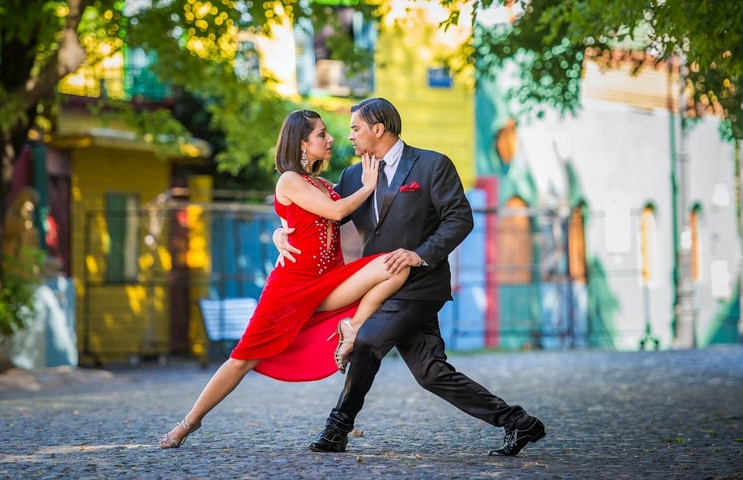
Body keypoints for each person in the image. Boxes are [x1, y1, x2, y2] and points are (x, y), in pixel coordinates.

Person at [274, 97, 545, 457]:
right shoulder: (353, 176)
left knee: (367, 341)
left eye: (356, 128)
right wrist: (281, 232)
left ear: (379, 129)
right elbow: (321, 217)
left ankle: (337, 428)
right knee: (431, 372)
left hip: (421, 285)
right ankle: (519, 422)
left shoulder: (433, 165)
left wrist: (420, 254)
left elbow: (460, 219)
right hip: (381, 287)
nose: (350, 136)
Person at [159, 109, 409, 449]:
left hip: (331, 281)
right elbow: (336, 212)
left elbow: (309, 216)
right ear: (302, 143)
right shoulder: (288, 179)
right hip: (291, 288)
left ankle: (351, 327)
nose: (331, 138)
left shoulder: (321, 183)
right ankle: (189, 423)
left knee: (397, 265)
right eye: (322, 134)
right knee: (242, 359)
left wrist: (282, 230)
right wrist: (368, 187)